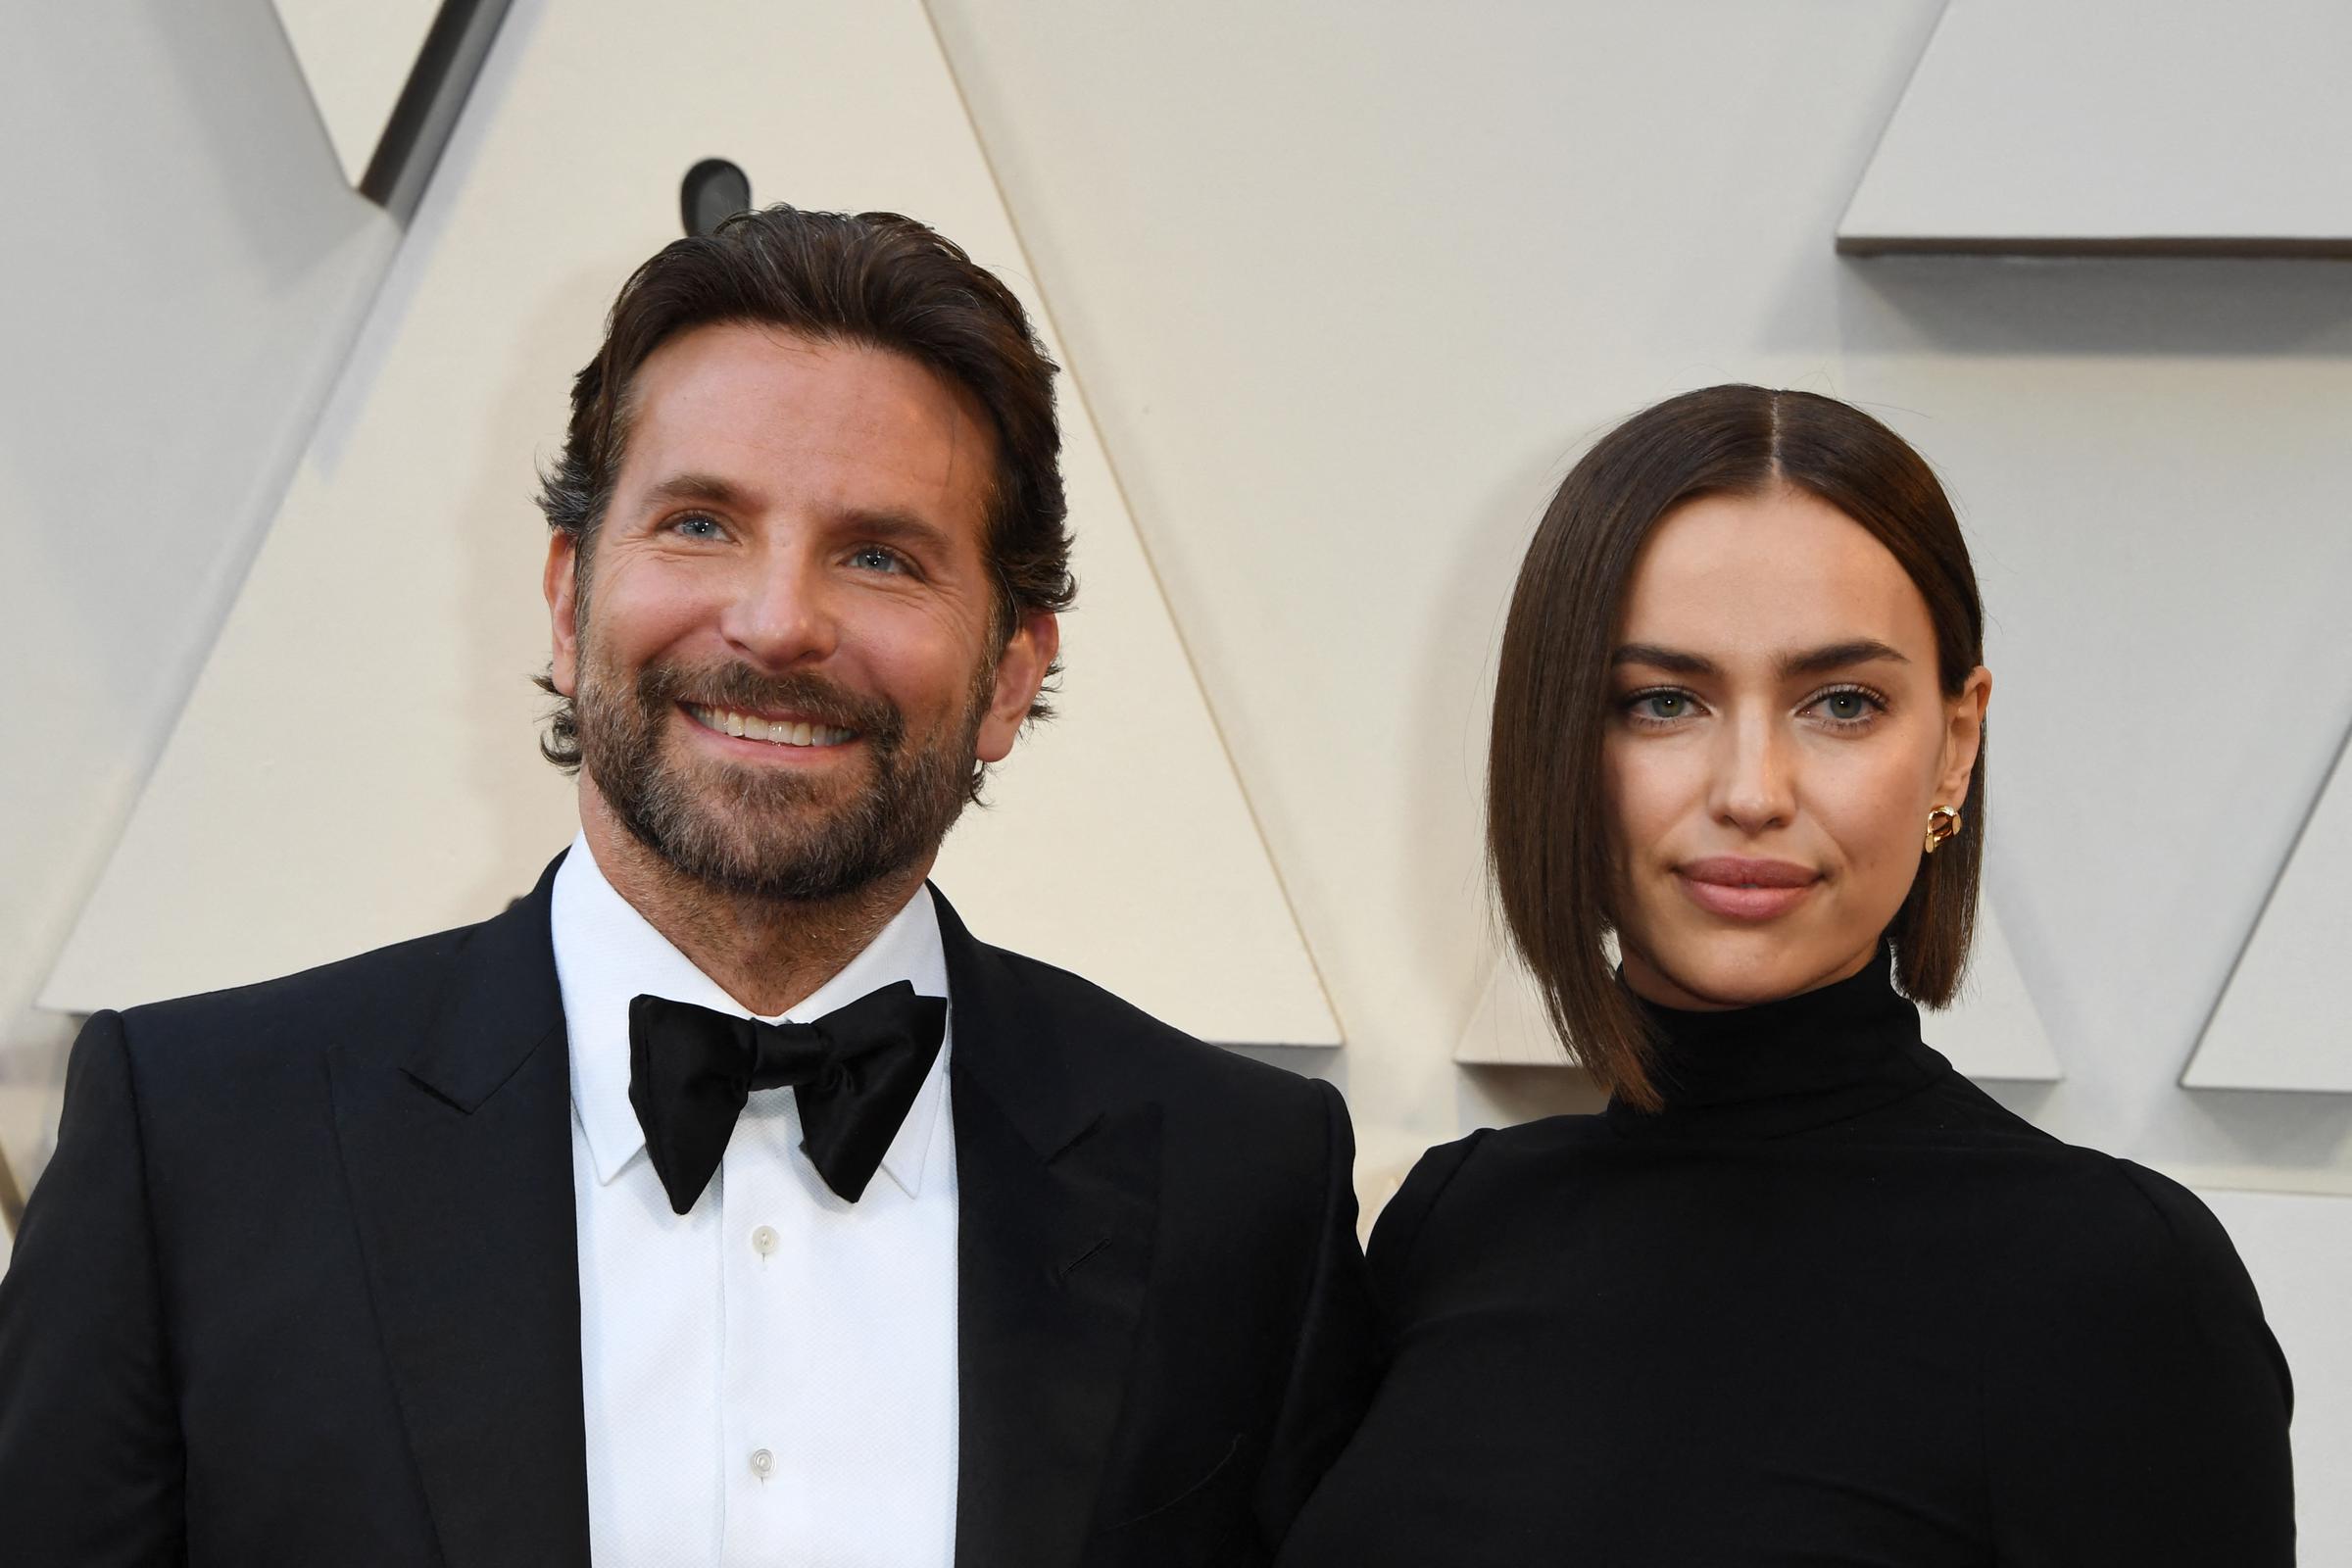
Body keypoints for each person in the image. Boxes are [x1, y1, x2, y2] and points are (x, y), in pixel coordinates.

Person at [0, 207, 1375, 1567]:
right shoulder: (195, 1144)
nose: (778, 622)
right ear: (566, 600)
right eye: (702, 524)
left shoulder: (1240, 1189)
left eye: (882, 556)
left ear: (1012, 671)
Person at [1276, 385, 2294, 1564]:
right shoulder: (1457, 1220)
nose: (1751, 789)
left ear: (1955, 741)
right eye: (1663, 701)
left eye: (1842, 703)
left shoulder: (2113, 1279)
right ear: (1560, 738)